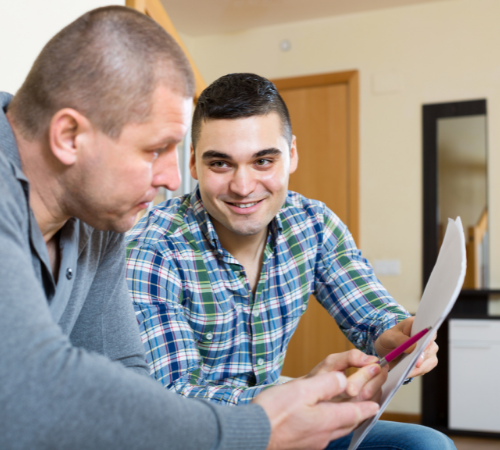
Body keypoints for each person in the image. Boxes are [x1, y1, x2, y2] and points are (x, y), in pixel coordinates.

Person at [0, 7, 383, 450]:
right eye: (155, 150)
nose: (174, 180)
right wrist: (258, 424)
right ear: (69, 136)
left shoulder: (99, 222)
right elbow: (29, 388)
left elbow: (129, 374)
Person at [126, 73, 455, 449]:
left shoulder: (313, 224)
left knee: (426, 446)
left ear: (292, 155)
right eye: (220, 164)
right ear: (194, 165)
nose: (243, 186)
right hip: (200, 436)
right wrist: (295, 395)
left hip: (285, 416)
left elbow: (373, 317)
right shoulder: (154, 249)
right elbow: (171, 401)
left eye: (263, 161)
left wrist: (396, 339)